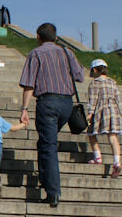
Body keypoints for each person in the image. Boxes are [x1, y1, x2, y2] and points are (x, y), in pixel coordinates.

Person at [18, 22, 88, 207]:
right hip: (66, 104)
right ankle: (45, 178)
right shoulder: (67, 52)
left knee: (49, 146)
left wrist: (24, 109)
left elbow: (29, 84)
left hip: (47, 103)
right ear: (55, 37)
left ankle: (53, 191)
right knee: (46, 142)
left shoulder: (36, 53)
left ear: (38, 37)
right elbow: (80, 76)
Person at [85, 58, 122, 178]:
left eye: (92, 71)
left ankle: (98, 157)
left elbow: (93, 100)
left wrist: (90, 114)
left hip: (101, 111)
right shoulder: (112, 82)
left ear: (96, 70)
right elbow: (118, 99)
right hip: (114, 111)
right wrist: (120, 112)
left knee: (91, 133)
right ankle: (117, 162)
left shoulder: (95, 83)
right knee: (113, 136)